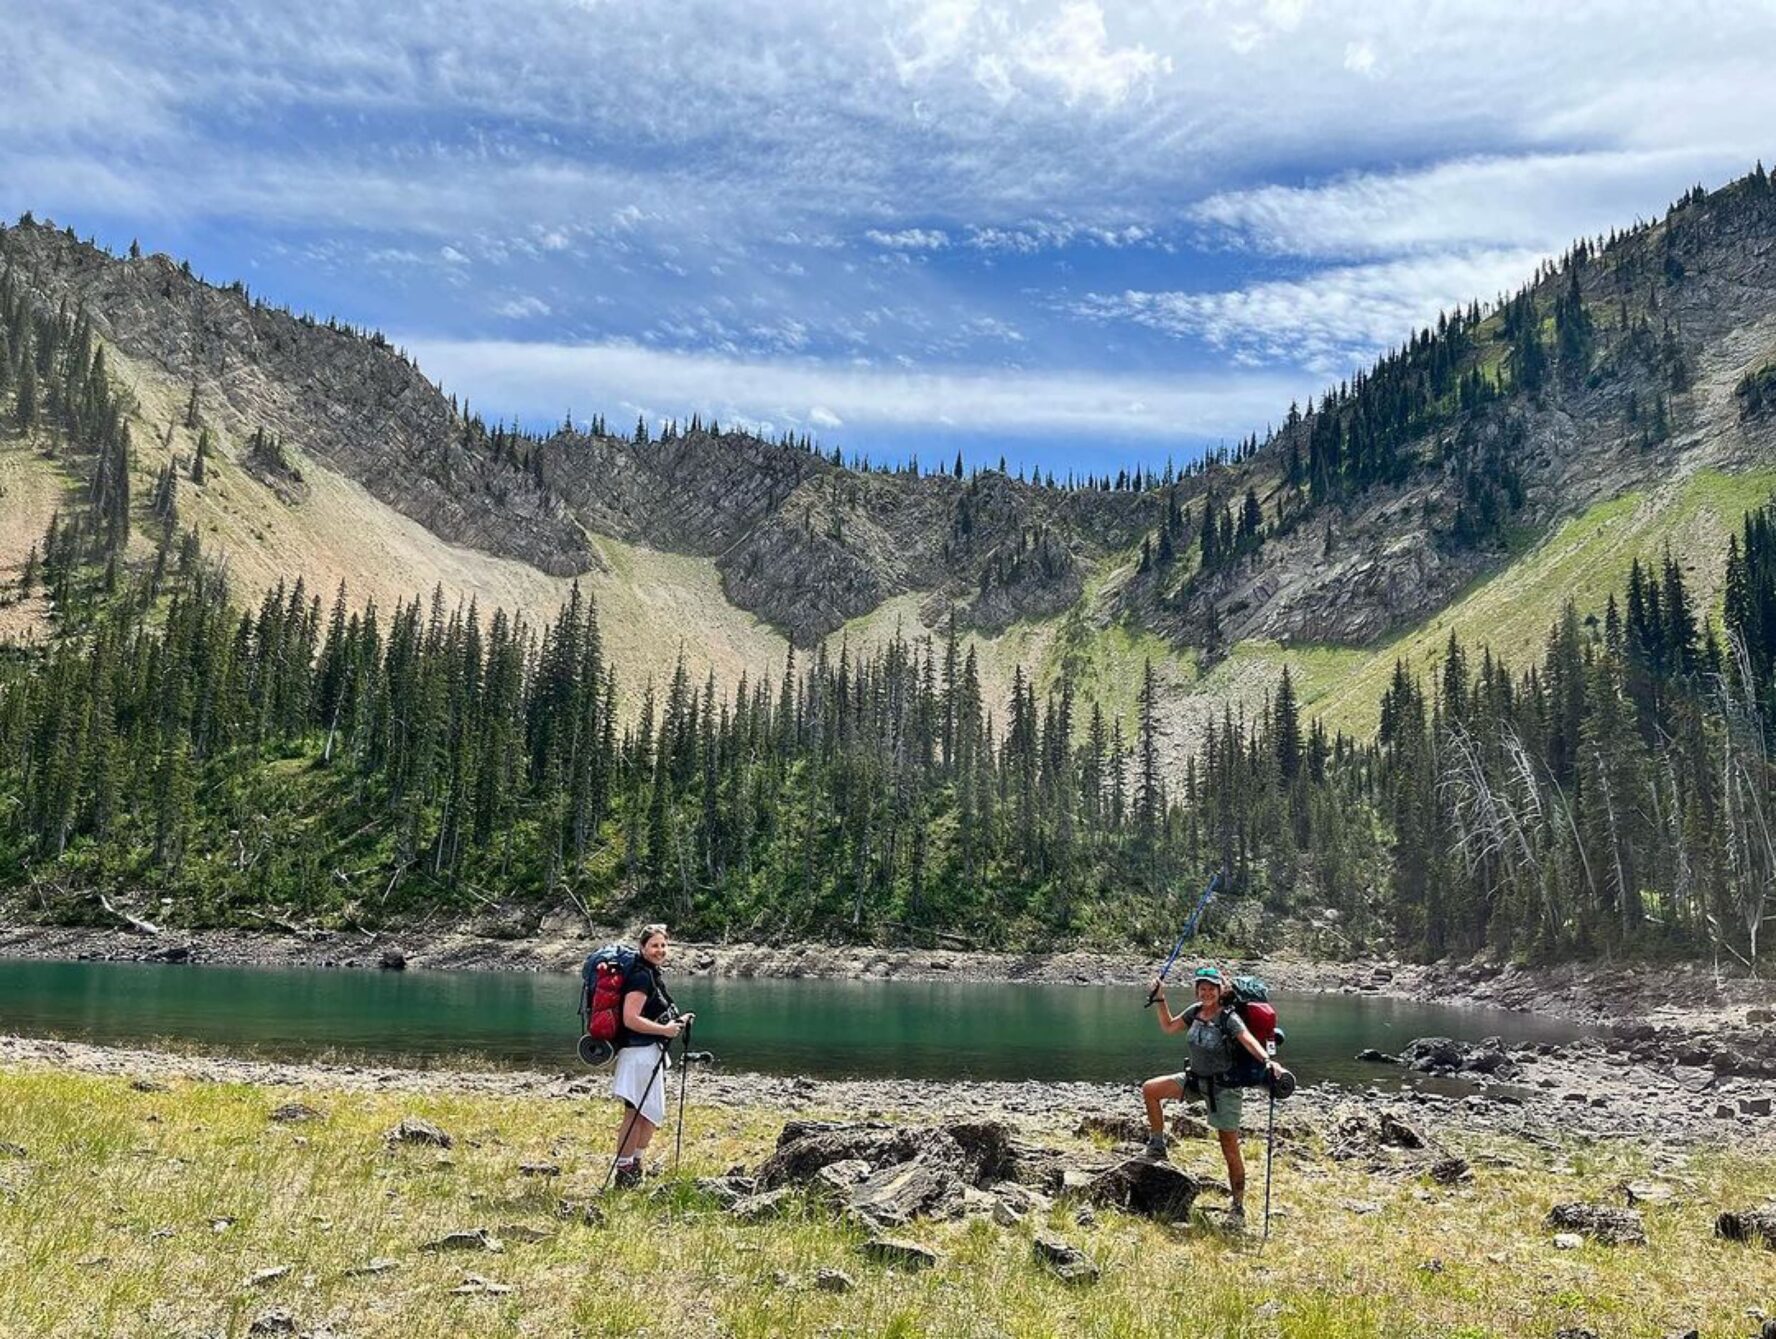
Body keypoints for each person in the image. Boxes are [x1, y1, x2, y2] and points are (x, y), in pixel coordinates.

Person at [1140, 964, 1286, 1231]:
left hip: (1224, 1087)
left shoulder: (1228, 1018)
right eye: (1202, 988)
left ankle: (1238, 1208)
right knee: (1151, 1090)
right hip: (1195, 1080)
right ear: (1197, 990)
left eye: (1211, 988)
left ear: (1220, 991)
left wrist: (1269, 1062)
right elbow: (1169, 1027)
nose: (1206, 992)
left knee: (1229, 1147)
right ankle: (1157, 1145)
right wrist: (1160, 998)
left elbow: (1247, 1040)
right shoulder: (1195, 1012)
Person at [610, 923, 693, 1188]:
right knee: (635, 1113)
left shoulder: (650, 974)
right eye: (654, 945)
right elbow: (630, 1019)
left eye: (663, 945)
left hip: (649, 1053)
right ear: (642, 947)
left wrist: (676, 1022)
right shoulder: (640, 977)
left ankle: (634, 1167)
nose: (659, 950)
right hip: (637, 1055)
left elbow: (648, 1014)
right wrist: (665, 1030)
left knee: (647, 1114)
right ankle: (625, 1172)